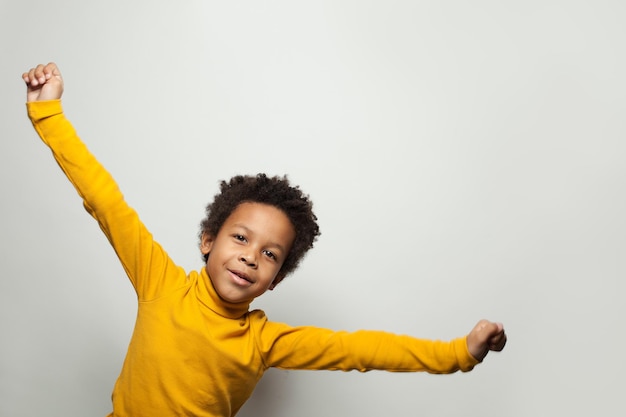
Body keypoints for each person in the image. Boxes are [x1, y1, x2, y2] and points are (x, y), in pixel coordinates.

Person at [22, 62, 506, 417]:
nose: (250, 257)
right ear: (208, 240)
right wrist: (50, 117)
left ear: (274, 280)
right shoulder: (161, 283)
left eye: (269, 254)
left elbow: (360, 351)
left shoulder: (264, 341)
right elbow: (105, 201)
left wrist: (459, 353)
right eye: (240, 238)